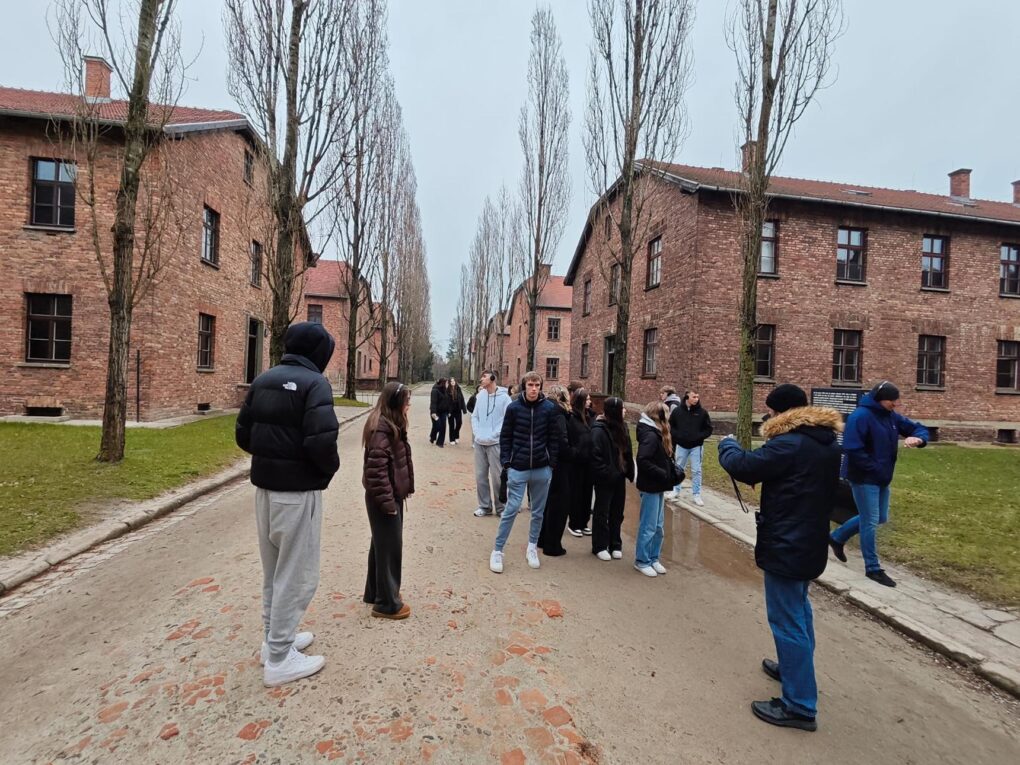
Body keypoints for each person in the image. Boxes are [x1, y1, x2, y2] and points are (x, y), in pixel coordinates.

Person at [717, 383, 843, 732]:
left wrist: (727, 444)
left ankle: (799, 705)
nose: (768, 415)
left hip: (788, 542)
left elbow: (744, 465)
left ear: (783, 412)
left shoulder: (790, 444)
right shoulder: (825, 442)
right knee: (799, 610)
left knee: (787, 620)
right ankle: (793, 670)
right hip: (808, 540)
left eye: (771, 410)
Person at [235, 321, 339, 687]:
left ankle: (273, 641)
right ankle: (280, 659)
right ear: (319, 352)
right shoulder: (315, 384)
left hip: (265, 491)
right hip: (297, 493)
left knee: (274, 571)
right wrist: (324, 473)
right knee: (297, 575)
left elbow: (243, 434)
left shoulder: (263, 380)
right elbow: (321, 443)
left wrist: (271, 458)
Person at [829, 381, 929, 588]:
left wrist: (918, 439)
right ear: (879, 399)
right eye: (891, 400)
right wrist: (874, 468)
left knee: (880, 517)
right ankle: (872, 568)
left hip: (882, 477)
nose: (895, 404)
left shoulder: (890, 416)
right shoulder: (860, 416)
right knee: (870, 520)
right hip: (864, 478)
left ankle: (837, 537)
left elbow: (917, 428)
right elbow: (853, 449)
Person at [489, 371, 560, 574]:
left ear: (541, 387)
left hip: (541, 468)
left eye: (537, 385)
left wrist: (551, 464)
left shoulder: (549, 408)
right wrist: (507, 462)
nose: (534, 389)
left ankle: (532, 547)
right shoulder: (513, 408)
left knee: (538, 512)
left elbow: (554, 438)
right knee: (511, 509)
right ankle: (498, 550)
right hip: (518, 467)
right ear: (524, 386)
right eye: (530, 385)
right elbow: (505, 437)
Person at [362, 382, 415, 620]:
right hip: (384, 498)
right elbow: (376, 473)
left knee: (381, 546)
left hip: (390, 495)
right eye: (406, 401)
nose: (408, 405)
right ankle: (387, 603)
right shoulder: (382, 431)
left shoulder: (389, 425)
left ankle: (375, 592)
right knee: (390, 549)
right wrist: (388, 504)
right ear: (395, 404)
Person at [634, 402, 684, 577]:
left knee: (658, 526)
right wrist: (662, 473)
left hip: (659, 485)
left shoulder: (657, 433)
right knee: (648, 525)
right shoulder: (650, 435)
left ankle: (653, 557)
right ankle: (642, 560)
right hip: (651, 486)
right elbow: (642, 459)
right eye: (667, 412)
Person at [590, 397, 634, 560]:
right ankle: (600, 545)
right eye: (622, 408)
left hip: (619, 476)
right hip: (605, 478)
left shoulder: (623, 428)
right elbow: (595, 456)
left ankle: (615, 543)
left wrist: (629, 470)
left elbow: (627, 450)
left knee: (617, 512)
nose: (625, 411)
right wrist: (607, 473)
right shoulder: (599, 430)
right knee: (602, 512)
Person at [538, 385, 572, 556]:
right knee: (559, 506)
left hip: (548, 461)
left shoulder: (545, 409)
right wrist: (573, 452)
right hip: (559, 464)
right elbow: (561, 440)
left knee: (549, 504)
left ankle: (542, 539)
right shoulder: (558, 413)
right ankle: (552, 545)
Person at [472, 371, 511, 518]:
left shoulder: (505, 398)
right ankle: (484, 506)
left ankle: (501, 507)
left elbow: (507, 420)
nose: (481, 379)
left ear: (493, 378)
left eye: (484, 376)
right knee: (480, 476)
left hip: (495, 443)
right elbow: (475, 416)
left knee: (497, 477)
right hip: (480, 443)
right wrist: (477, 433)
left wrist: (495, 434)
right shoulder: (480, 396)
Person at [667, 389, 713, 505]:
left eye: (697, 397)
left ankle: (696, 494)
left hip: (696, 446)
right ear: (687, 397)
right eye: (694, 397)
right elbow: (671, 426)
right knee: (678, 467)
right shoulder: (677, 411)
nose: (696, 399)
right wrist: (678, 436)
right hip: (681, 445)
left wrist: (699, 437)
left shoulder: (702, 413)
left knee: (696, 470)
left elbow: (708, 429)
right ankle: (675, 490)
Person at [566, 388, 595, 537]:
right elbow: (568, 439)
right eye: (587, 399)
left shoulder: (591, 417)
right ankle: (574, 523)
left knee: (587, 493)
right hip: (576, 463)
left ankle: (584, 522)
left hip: (589, 462)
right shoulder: (571, 418)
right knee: (576, 493)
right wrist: (575, 453)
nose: (590, 402)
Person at [429, 378, 449, 447]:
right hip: (436, 412)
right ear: (443, 383)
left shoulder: (445, 390)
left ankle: (440, 442)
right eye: (446, 383)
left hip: (443, 412)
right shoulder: (435, 390)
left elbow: (447, 402)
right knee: (437, 426)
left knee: (443, 427)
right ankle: (432, 436)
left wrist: (448, 411)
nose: (448, 384)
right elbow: (433, 402)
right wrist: (433, 412)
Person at [447, 378, 467, 445]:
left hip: (458, 409)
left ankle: (456, 435)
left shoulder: (458, 389)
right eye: (451, 381)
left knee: (459, 423)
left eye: (453, 381)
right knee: (451, 425)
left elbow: (462, 399)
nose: (452, 382)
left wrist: (464, 409)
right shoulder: (447, 390)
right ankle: (452, 439)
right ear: (449, 383)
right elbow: (446, 401)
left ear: (455, 382)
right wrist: (448, 411)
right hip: (450, 410)